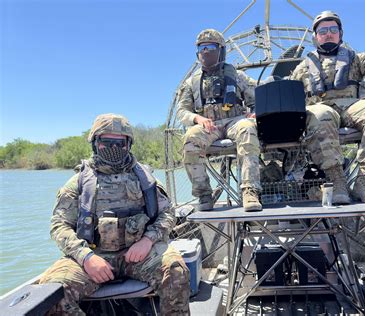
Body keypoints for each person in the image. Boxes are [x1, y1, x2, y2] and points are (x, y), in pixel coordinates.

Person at [38, 114, 190, 315]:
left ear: (128, 144)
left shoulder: (145, 179)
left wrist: (147, 240)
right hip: (94, 255)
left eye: (120, 143)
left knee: (176, 270)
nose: (114, 148)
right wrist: (86, 257)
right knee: (50, 294)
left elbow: (167, 213)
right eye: (106, 142)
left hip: (139, 254)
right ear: (95, 143)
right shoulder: (79, 182)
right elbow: (59, 226)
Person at [290, 10, 365, 203]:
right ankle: (337, 181)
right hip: (321, 108)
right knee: (321, 113)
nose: (328, 33)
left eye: (332, 29)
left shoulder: (355, 59)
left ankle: (364, 181)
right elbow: (290, 94)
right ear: (315, 37)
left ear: (340, 34)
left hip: (353, 106)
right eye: (323, 30)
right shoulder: (302, 68)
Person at [176, 28, 262, 212]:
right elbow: (182, 111)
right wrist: (197, 118)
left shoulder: (237, 76)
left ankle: (250, 191)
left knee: (248, 128)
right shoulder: (191, 82)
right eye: (202, 47)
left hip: (235, 120)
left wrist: (254, 112)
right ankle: (204, 194)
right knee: (190, 140)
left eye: (211, 47)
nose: (206, 51)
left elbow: (258, 100)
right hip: (209, 125)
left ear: (221, 49)